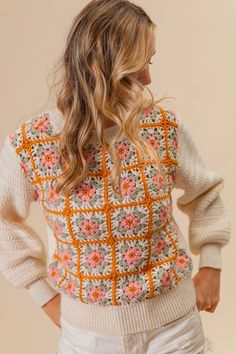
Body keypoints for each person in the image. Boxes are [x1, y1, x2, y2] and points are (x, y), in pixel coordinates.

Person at [0, 0, 231, 353]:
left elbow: (205, 193)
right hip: (87, 339)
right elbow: (4, 219)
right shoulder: (32, 145)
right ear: (105, 66)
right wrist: (43, 295)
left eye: (150, 62)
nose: (148, 79)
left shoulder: (161, 128)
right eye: (141, 64)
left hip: (175, 332)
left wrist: (211, 264)